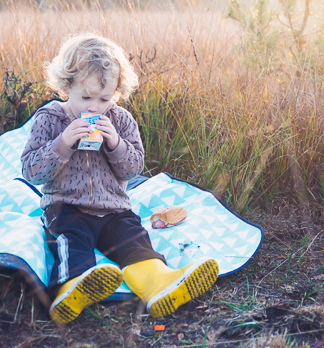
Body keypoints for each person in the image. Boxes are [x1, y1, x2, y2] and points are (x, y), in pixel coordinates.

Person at [21, 33, 218, 325]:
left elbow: (133, 168)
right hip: (66, 206)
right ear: (66, 86)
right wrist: (62, 143)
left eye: (104, 99)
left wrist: (115, 144)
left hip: (114, 208)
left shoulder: (121, 120)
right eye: (85, 97)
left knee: (135, 241)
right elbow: (31, 171)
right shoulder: (49, 119)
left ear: (116, 92)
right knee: (70, 241)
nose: (94, 108)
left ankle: (158, 285)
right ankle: (71, 286)